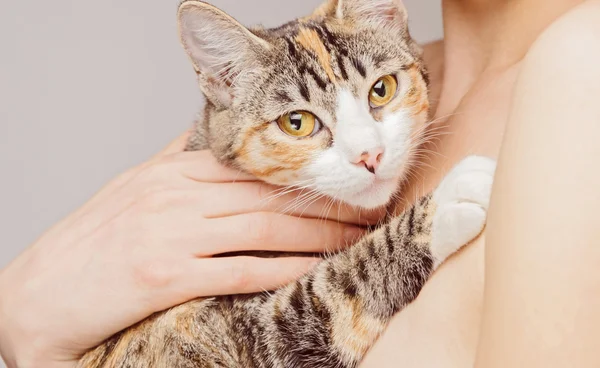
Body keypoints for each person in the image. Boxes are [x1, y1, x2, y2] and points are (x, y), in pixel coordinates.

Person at [2, 0, 600, 367]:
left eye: (382, 93)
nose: (367, 151)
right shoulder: (349, 63)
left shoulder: (582, 68)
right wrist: (25, 321)